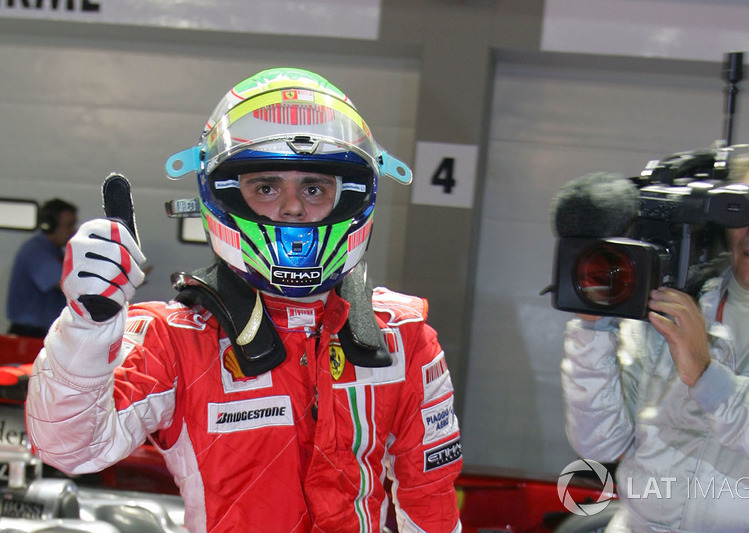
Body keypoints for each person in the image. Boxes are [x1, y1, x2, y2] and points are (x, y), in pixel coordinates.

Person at [25, 67, 462, 532]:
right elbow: (69, 447)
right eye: (266, 187)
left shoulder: (403, 334)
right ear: (227, 195)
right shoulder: (176, 337)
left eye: (313, 188)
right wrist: (88, 326)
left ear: (350, 197)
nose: (293, 207)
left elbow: (429, 500)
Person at [560, 137, 749, 532]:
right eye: (748, 210)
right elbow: (599, 443)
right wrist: (593, 328)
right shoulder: (676, 302)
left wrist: (707, 376)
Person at [6, 198, 77, 338]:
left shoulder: (55, 252)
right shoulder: (35, 251)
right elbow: (64, 282)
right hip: (29, 334)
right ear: (50, 225)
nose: (73, 231)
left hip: (43, 332)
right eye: (69, 225)